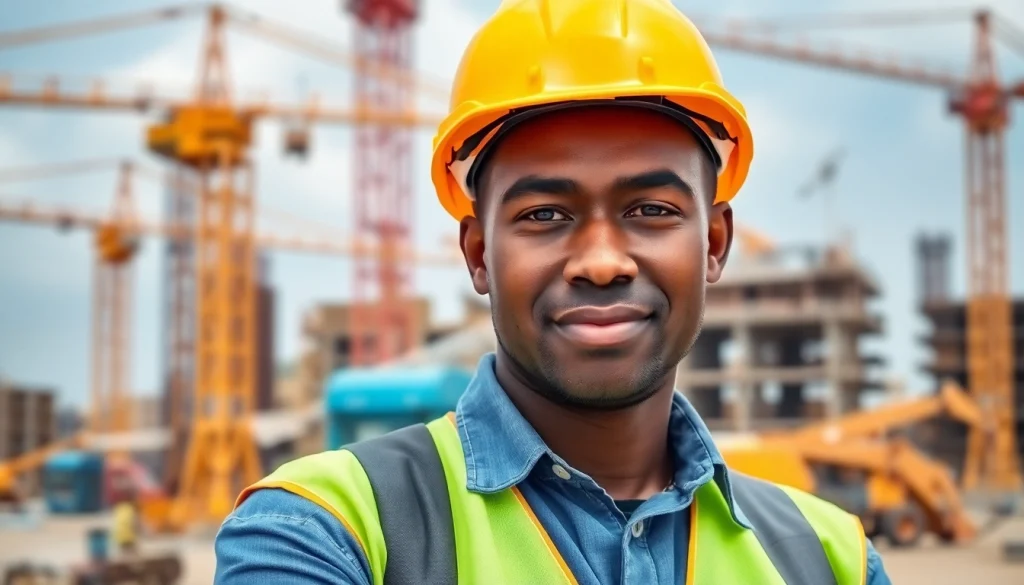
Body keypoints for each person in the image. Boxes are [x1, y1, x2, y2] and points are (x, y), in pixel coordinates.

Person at [215, 1, 892, 583]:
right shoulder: (324, 531)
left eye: (651, 209)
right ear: (479, 254)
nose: (601, 262)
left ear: (714, 243)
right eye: (544, 214)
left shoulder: (828, 556)